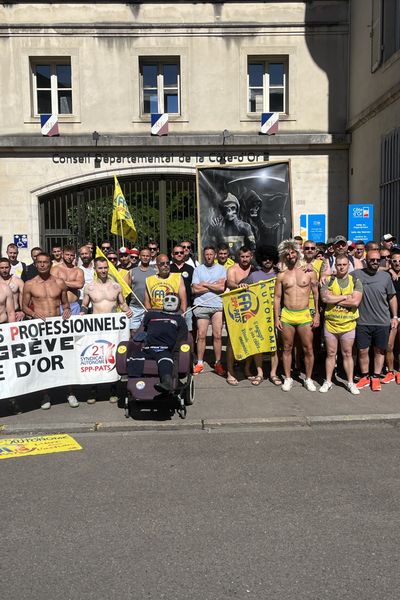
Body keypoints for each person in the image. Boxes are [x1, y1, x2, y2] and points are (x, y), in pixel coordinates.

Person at [21, 252, 74, 409]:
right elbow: (24, 306)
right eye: (40, 262)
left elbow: (66, 304)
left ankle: (70, 393)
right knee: (43, 360)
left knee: (66, 359)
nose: (42, 265)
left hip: (58, 326)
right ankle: (45, 395)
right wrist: (32, 313)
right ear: (35, 264)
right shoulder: (29, 284)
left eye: (45, 262)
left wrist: (67, 310)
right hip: (41, 326)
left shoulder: (59, 282)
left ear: (51, 264)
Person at [80, 257, 133, 404]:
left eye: (105, 268)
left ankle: (113, 389)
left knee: (112, 356)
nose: (103, 271)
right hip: (95, 327)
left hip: (112, 328)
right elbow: (85, 304)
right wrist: (82, 312)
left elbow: (122, 304)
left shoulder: (116, 287)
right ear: (95, 269)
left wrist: (127, 310)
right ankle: (93, 389)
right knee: (94, 358)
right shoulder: (89, 287)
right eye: (100, 268)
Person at [274, 239, 319, 392]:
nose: (290, 255)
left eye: (293, 252)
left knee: (308, 348)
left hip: (304, 314)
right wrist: (276, 318)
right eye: (287, 253)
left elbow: (316, 294)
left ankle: (308, 378)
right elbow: (277, 298)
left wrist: (317, 314)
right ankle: (288, 378)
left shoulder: (309, 271)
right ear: (284, 256)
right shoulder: (281, 275)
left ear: (297, 253)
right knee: (286, 348)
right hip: (287, 315)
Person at [354, 249, 398, 391]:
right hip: (362, 321)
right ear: (366, 260)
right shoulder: (356, 274)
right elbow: (339, 274)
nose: (375, 262)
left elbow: (392, 297)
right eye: (372, 260)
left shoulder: (385, 277)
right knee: (362, 351)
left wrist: (395, 316)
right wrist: (324, 275)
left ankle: (376, 377)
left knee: (380, 351)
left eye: (377, 260)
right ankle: (365, 376)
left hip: (382, 321)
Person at [128, 294, 188, 393]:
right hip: (148, 348)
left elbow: (182, 338)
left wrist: (175, 352)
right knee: (135, 356)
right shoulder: (151, 315)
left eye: (173, 300)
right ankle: (134, 385)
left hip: (164, 350)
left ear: (178, 304)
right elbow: (143, 329)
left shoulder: (179, 319)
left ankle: (166, 383)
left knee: (165, 360)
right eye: (167, 299)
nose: (169, 302)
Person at [320, 255, 363, 394]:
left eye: (344, 264)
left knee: (347, 353)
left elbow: (355, 302)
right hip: (331, 324)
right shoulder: (329, 280)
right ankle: (328, 381)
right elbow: (325, 298)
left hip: (348, 324)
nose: (342, 267)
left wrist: (334, 299)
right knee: (331, 353)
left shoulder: (355, 281)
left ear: (348, 266)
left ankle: (350, 382)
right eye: (339, 265)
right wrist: (345, 297)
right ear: (335, 266)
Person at [240, 244, 280, 386]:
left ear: (274, 259)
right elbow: (240, 287)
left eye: (269, 258)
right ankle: (260, 373)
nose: (267, 261)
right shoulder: (254, 275)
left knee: (274, 347)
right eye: (264, 258)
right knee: (258, 346)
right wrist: (243, 286)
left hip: (275, 316)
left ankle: (273, 374)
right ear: (260, 260)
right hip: (258, 316)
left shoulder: (280, 274)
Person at [192, 246, 226, 375]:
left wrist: (205, 284)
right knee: (201, 335)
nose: (209, 256)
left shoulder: (222, 269)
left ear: (215, 255)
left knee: (217, 335)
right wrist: (213, 286)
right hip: (201, 305)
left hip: (217, 305)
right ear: (203, 255)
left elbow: (222, 288)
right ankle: (200, 363)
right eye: (207, 254)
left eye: (211, 254)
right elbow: (195, 289)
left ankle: (218, 363)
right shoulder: (198, 270)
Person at [225, 246, 253, 385]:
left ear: (251, 256)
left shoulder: (254, 269)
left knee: (249, 338)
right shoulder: (232, 269)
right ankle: (230, 371)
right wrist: (238, 286)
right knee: (232, 341)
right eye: (242, 257)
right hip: (235, 307)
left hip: (250, 307)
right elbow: (229, 282)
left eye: (247, 256)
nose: (245, 259)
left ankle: (247, 369)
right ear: (238, 257)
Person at [129, 247, 156, 334]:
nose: (145, 257)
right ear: (139, 256)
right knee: (133, 332)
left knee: (149, 332)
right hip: (135, 307)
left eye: (147, 256)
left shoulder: (155, 272)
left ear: (150, 257)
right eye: (143, 255)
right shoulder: (132, 271)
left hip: (150, 308)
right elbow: (126, 290)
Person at [51, 245, 84, 315]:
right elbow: (53, 284)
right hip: (59, 305)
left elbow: (80, 284)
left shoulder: (78, 270)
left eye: (71, 255)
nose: (69, 257)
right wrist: (73, 284)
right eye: (67, 254)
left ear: (74, 256)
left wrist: (61, 282)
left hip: (74, 305)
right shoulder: (55, 269)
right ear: (62, 254)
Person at [170, 244, 194, 332]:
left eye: (181, 252)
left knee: (188, 331)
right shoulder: (168, 268)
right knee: (172, 330)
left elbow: (194, 286)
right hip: (172, 306)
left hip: (187, 306)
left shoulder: (190, 269)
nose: (179, 254)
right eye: (176, 253)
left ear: (184, 254)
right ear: (172, 255)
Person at [386, 250, 400, 383]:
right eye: (394, 261)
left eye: (399, 261)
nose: (397, 263)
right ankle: (390, 371)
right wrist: (389, 270)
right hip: (391, 316)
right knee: (389, 345)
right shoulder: (387, 275)